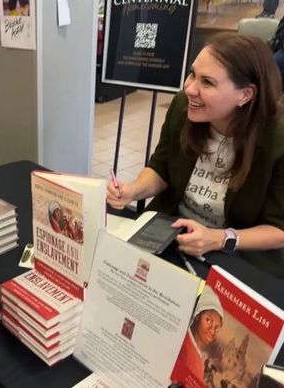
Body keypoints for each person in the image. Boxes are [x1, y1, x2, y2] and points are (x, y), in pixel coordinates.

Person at [107, 33, 284, 277]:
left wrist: (220, 238)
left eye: (207, 82)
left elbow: (279, 230)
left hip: (237, 251)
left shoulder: (277, 139)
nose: (189, 89)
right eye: (193, 74)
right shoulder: (183, 108)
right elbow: (161, 168)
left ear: (245, 95)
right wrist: (134, 190)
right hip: (171, 231)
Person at [172, 287, 223, 384]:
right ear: (197, 316)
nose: (212, 331)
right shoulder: (185, 344)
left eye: (216, 328)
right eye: (208, 320)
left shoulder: (198, 356)